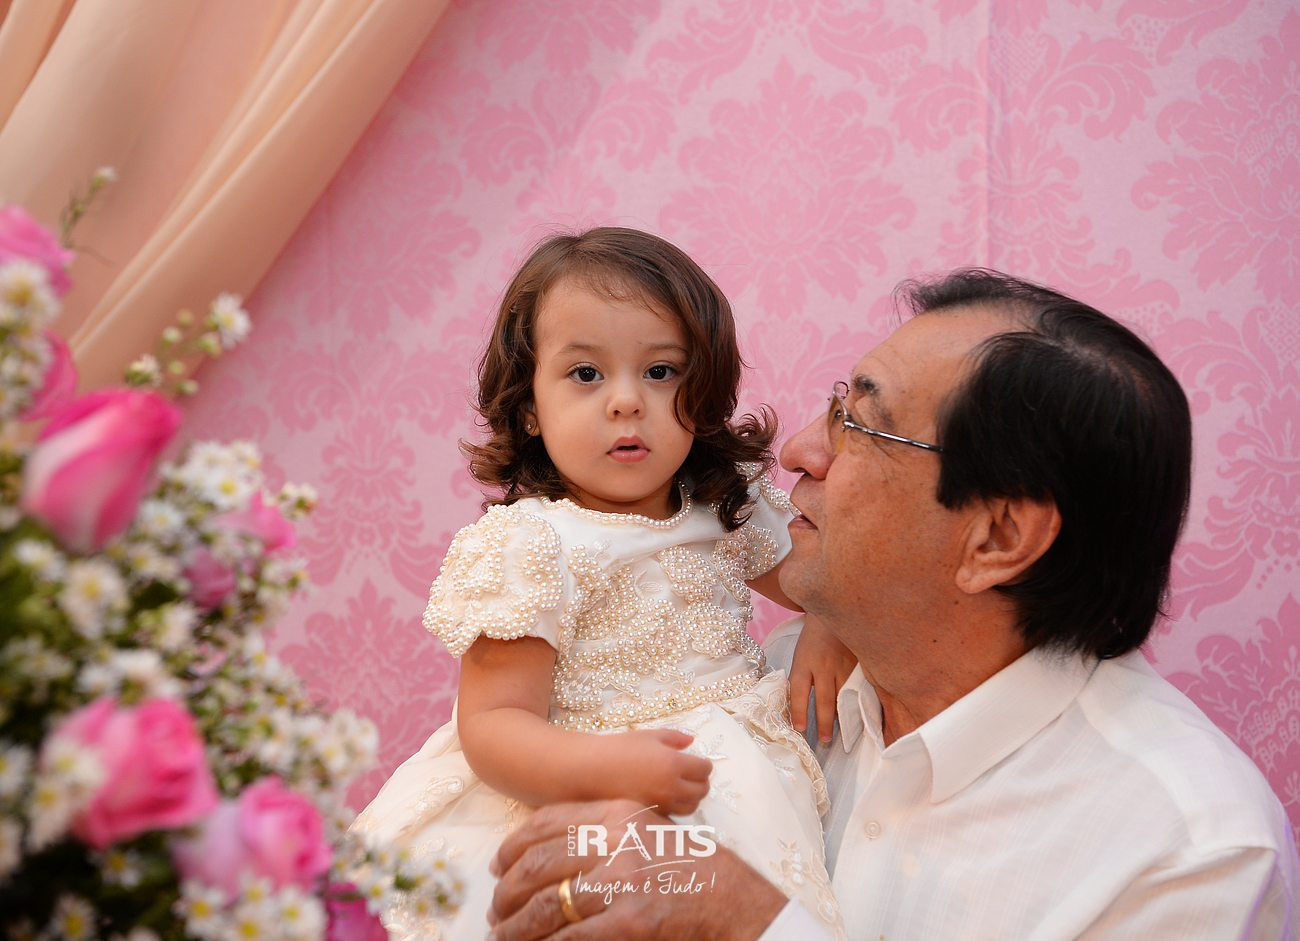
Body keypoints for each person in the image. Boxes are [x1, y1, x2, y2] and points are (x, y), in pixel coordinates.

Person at [484, 268, 1299, 939]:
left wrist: (753, 923)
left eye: (859, 424)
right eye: (835, 405)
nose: (799, 449)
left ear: (997, 537)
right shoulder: (762, 692)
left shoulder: (1189, 856)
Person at [352, 227, 851, 939]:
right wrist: (606, 765)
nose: (626, 401)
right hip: (583, 798)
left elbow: (828, 577)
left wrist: (829, 626)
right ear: (529, 405)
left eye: (661, 371)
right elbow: (493, 725)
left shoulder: (726, 504)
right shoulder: (533, 543)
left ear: (705, 391)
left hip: (736, 796)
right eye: (586, 374)